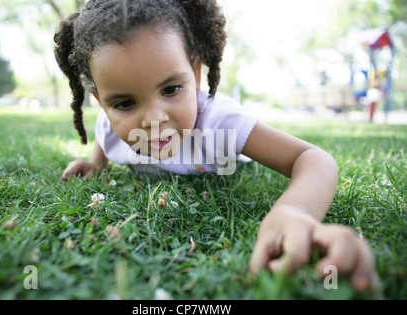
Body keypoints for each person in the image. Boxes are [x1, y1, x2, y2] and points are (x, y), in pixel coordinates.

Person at [54, 0, 380, 293]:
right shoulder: (110, 127)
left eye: (170, 89)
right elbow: (103, 134)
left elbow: (312, 158)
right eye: (125, 103)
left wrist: (293, 211)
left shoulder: (219, 123)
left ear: (195, 73)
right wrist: (96, 162)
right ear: (102, 103)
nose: (154, 119)